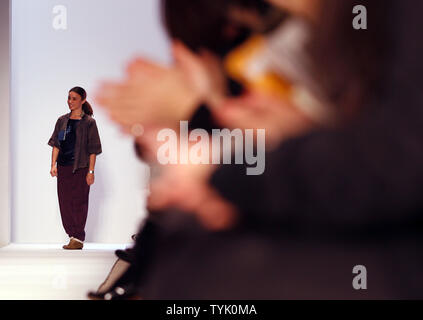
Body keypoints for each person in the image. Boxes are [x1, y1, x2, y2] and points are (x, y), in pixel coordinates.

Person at [48, 87, 102, 250]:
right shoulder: (62, 121)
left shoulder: (89, 123)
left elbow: (93, 149)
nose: (70, 101)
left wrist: (91, 172)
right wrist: (53, 164)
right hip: (63, 167)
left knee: (79, 202)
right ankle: (72, 235)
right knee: (64, 202)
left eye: (74, 98)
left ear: (82, 100)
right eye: (69, 98)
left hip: (81, 167)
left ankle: (78, 237)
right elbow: (57, 144)